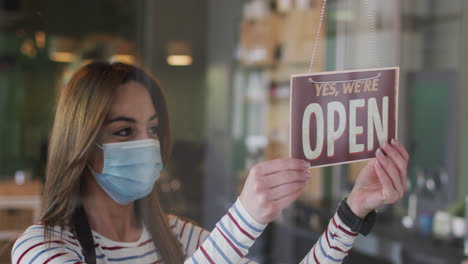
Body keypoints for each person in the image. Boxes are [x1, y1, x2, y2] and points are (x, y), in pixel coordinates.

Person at [11, 62, 409, 264]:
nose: (146, 145)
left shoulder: (176, 238)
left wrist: (352, 213)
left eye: (151, 129)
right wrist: (243, 222)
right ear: (81, 145)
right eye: (123, 132)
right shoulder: (41, 249)